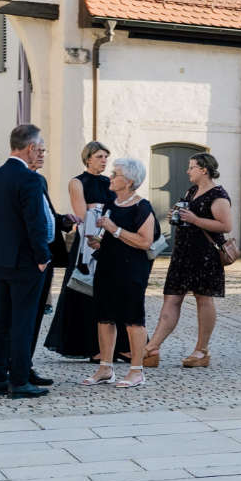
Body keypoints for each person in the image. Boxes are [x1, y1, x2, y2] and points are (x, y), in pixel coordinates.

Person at [0, 123, 56, 397]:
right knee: (23, 320)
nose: (40, 152)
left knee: (0, 319)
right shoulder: (29, 179)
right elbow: (35, 222)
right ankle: (19, 381)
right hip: (25, 261)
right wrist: (43, 256)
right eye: (39, 148)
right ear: (30, 148)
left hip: (0, 260)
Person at [145, 152, 231, 369]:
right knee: (171, 298)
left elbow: (225, 226)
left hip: (205, 255)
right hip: (183, 253)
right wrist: (176, 215)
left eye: (192, 167)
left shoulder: (218, 196)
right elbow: (186, 214)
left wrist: (195, 219)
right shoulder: (191, 190)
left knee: (204, 299)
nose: (188, 171)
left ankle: (201, 351)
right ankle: (152, 347)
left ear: (204, 170)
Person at [45, 141, 128, 363]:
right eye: (99, 156)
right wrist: (99, 222)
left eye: (105, 157)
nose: (103, 161)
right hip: (88, 242)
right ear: (88, 158)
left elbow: (118, 208)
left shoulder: (109, 182)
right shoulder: (77, 182)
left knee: (111, 291)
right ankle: (89, 345)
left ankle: (116, 345)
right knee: (83, 290)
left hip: (109, 238)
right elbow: (82, 215)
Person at [85, 156, 158, 388]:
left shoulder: (142, 206)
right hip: (107, 265)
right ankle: (105, 368)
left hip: (132, 269)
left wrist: (114, 230)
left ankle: (136, 370)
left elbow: (145, 241)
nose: (110, 177)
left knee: (132, 319)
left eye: (115, 174)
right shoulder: (110, 204)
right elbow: (109, 235)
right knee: (104, 317)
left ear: (128, 181)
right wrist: (97, 241)